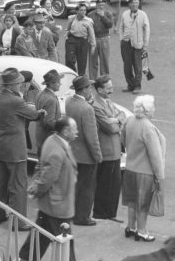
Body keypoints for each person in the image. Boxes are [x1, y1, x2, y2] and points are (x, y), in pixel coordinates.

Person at [18, 116, 94, 261]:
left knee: (42, 231)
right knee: (66, 239)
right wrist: (37, 189)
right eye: (74, 129)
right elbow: (48, 177)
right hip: (57, 203)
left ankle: (26, 258)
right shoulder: (57, 151)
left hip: (51, 202)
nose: (77, 132)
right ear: (66, 131)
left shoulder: (52, 140)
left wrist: (36, 187)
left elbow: (41, 166)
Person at [0, 68, 46, 230]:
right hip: (16, 149)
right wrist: (41, 112)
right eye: (19, 83)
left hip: (0, 145)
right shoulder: (16, 101)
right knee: (18, 185)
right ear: (12, 85)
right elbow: (34, 115)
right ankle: (19, 222)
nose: (21, 85)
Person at [121, 95, 165, 242]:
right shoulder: (148, 127)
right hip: (144, 172)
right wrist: (159, 176)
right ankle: (142, 231)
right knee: (143, 203)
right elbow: (155, 156)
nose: (154, 110)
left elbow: (122, 140)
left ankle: (131, 227)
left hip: (130, 168)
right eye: (153, 108)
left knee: (132, 201)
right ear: (147, 111)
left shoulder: (129, 120)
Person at [64, 76, 103, 226]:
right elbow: (91, 137)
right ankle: (82, 217)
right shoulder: (87, 109)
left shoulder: (69, 101)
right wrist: (98, 156)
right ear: (84, 89)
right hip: (86, 155)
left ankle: (72, 213)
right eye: (89, 88)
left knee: (75, 185)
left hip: (73, 151)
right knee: (87, 188)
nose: (91, 90)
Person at [90, 76, 126, 222]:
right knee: (106, 184)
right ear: (99, 90)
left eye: (111, 86)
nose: (111, 89)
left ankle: (110, 213)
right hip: (108, 151)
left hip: (114, 150)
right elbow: (109, 127)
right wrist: (117, 121)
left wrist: (116, 119)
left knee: (114, 184)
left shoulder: (107, 101)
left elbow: (122, 114)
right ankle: (102, 213)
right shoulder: (96, 105)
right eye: (108, 87)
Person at [118, 0, 149, 94]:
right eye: (133, 3)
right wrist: (122, 38)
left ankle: (137, 86)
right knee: (127, 66)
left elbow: (147, 30)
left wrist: (145, 45)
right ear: (129, 4)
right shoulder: (125, 14)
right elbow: (121, 27)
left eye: (136, 3)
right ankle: (130, 85)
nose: (135, 5)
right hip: (126, 43)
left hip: (138, 44)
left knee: (137, 66)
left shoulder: (143, 15)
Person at [35, 70, 62, 159]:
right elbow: (49, 123)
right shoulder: (50, 99)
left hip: (41, 138)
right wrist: (62, 124)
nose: (60, 84)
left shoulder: (40, 94)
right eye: (58, 82)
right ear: (51, 84)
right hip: (48, 140)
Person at [64, 4, 96, 76]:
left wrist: (93, 45)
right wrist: (66, 36)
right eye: (81, 10)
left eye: (84, 10)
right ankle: (72, 74)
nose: (83, 12)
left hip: (82, 41)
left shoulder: (88, 21)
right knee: (69, 59)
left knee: (82, 62)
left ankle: (81, 77)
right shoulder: (71, 18)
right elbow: (67, 29)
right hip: (72, 39)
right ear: (77, 11)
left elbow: (92, 34)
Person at [86, 2, 114, 79]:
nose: (101, 7)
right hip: (93, 39)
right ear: (96, 6)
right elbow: (87, 27)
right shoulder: (90, 15)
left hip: (104, 38)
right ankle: (93, 79)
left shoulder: (108, 14)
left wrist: (103, 16)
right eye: (99, 5)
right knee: (92, 61)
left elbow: (110, 25)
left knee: (104, 61)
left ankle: (105, 79)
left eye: (103, 5)